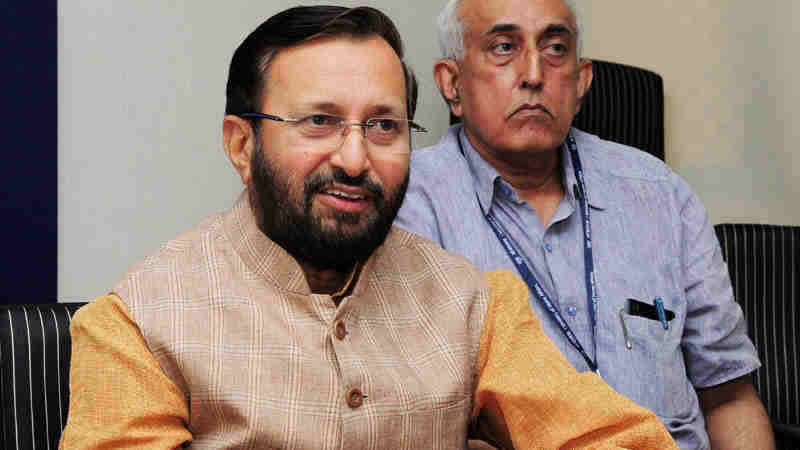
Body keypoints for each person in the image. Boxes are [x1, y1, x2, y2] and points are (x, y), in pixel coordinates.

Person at [58, 5, 676, 449]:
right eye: (320, 122)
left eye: (384, 126)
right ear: (242, 145)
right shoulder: (138, 324)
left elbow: (612, 439)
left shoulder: (475, 307)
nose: (356, 160)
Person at [395, 0, 775, 449]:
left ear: (581, 81)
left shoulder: (661, 196)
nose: (534, 73)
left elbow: (729, 396)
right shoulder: (407, 206)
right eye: (503, 47)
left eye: (556, 48)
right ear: (452, 84)